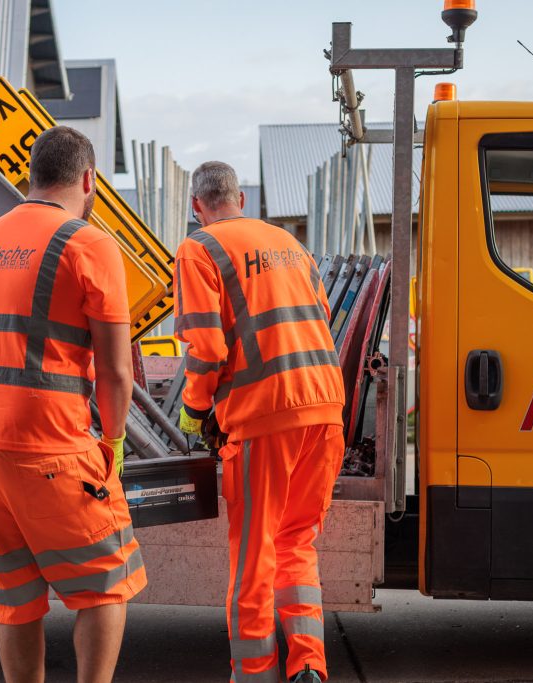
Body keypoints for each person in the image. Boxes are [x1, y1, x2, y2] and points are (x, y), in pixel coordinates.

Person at [0, 126, 146, 683]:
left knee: (15, 597)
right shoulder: (89, 242)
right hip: (47, 446)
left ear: (30, 177)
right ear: (88, 180)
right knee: (105, 582)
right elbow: (115, 369)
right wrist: (113, 443)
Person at [174, 161, 345, 683]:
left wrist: (195, 410)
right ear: (241, 198)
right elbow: (319, 317)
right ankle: (308, 665)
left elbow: (205, 346)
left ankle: (254, 672)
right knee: (296, 542)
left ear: (196, 207)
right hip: (324, 408)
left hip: (263, 417)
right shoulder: (288, 244)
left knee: (253, 554)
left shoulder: (198, 249)